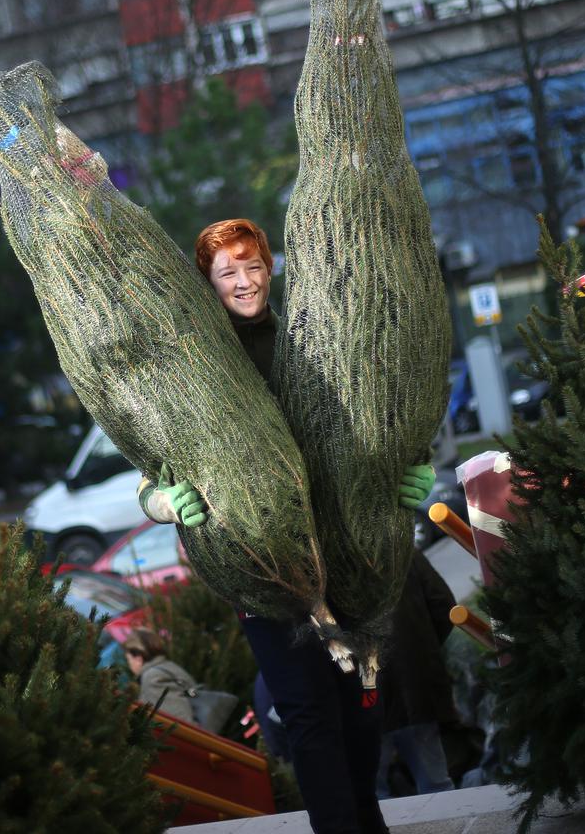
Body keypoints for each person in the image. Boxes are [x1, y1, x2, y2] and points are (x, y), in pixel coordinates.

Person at [136, 218, 437, 834]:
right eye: (228, 273)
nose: (244, 281)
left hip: (344, 549)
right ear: (208, 284)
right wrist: (163, 501)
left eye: (253, 266)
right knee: (307, 711)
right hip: (262, 566)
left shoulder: (306, 341)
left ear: (269, 269)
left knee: (361, 704)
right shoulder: (196, 363)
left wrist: (416, 463)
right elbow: (149, 469)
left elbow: (366, 412)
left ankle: (368, 823)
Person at [375, 552, 458, 798]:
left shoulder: (329, 559)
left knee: (371, 795)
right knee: (437, 786)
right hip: (416, 685)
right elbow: (444, 606)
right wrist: (424, 650)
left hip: (363, 695)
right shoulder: (401, 549)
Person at [124, 627, 198, 725]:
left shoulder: (152, 677)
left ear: (138, 658)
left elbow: (181, 722)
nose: (129, 664)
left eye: (128, 659)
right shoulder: (166, 665)